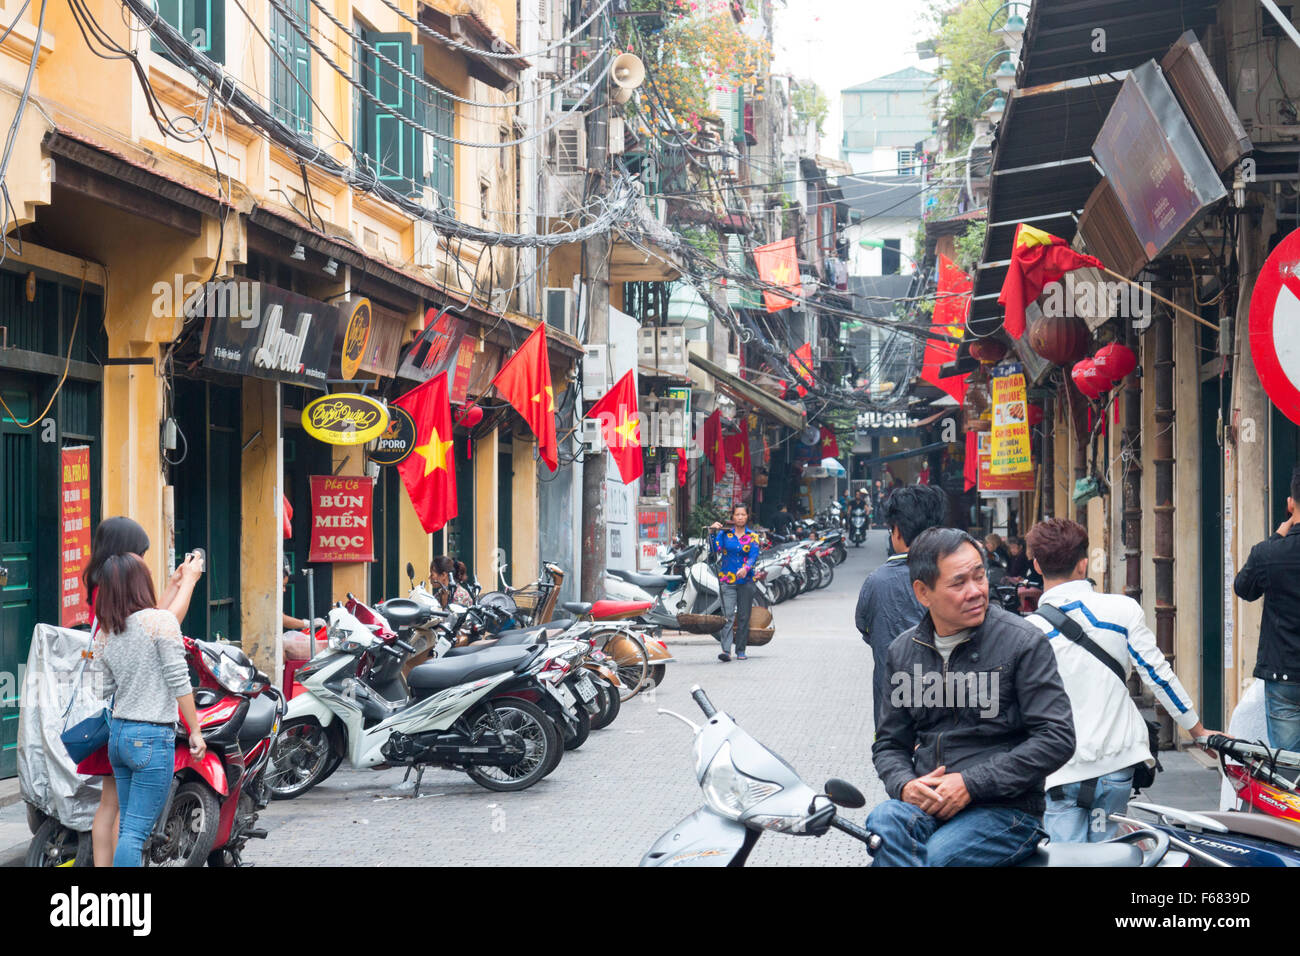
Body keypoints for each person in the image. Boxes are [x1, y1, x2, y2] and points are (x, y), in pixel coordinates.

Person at [867, 528, 1075, 866]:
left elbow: (1057, 738)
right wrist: (905, 785)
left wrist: (970, 784)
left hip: (1005, 811)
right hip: (927, 806)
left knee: (936, 859)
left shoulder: (1023, 643)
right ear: (923, 592)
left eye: (980, 576)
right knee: (884, 820)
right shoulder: (903, 652)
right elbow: (889, 743)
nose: (975, 591)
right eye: (958, 583)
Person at [1025, 518, 1214, 843]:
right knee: (1109, 855)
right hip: (1117, 765)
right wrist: (1197, 731)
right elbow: (1158, 675)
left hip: (1060, 771)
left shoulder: (1027, 631)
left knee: (1064, 861)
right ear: (1083, 564)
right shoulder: (1122, 610)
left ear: (1037, 565)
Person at [80, 517, 203, 867]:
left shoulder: (109, 626)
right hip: (150, 735)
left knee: (124, 820)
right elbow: (176, 670)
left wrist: (175, 584)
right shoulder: (153, 622)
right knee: (133, 831)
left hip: (119, 732)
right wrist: (194, 730)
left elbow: (106, 683)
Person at [855, 485, 947, 730]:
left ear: (895, 532)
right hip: (945, 697)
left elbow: (865, 629)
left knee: (893, 758)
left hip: (890, 697)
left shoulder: (875, 582)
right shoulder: (951, 576)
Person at [1234, 466, 1300, 751]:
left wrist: (1275, 538)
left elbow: (1243, 588)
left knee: (1289, 770)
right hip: (1282, 675)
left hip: (1283, 676)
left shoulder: (1268, 553)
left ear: (1290, 504)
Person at [708, 504, 759, 662]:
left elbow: (753, 556)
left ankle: (741, 649)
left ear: (747, 516)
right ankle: (726, 650)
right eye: (737, 514)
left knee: (744, 616)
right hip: (727, 580)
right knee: (728, 615)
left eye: (743, 514)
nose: (740, 517)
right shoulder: (725, 535)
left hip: (746, 580)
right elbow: (714, 550)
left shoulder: (753, 536)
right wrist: (711, 532)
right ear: (732, 517)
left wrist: (746, 568)